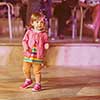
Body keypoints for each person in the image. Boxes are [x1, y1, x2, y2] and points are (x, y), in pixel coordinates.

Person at [20, 12, 49, 92]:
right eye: (37, 22)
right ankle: (28, 80)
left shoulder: (44, 34)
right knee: (25, 69)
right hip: (28, 54)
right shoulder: (29, 32)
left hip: (38, 56)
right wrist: (25, 47)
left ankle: (38, 84)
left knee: (37, 71)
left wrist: (46, 44)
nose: (39, 24)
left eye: (41, 22)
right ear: (32, 23)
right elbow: (24, 41)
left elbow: (45, 41)